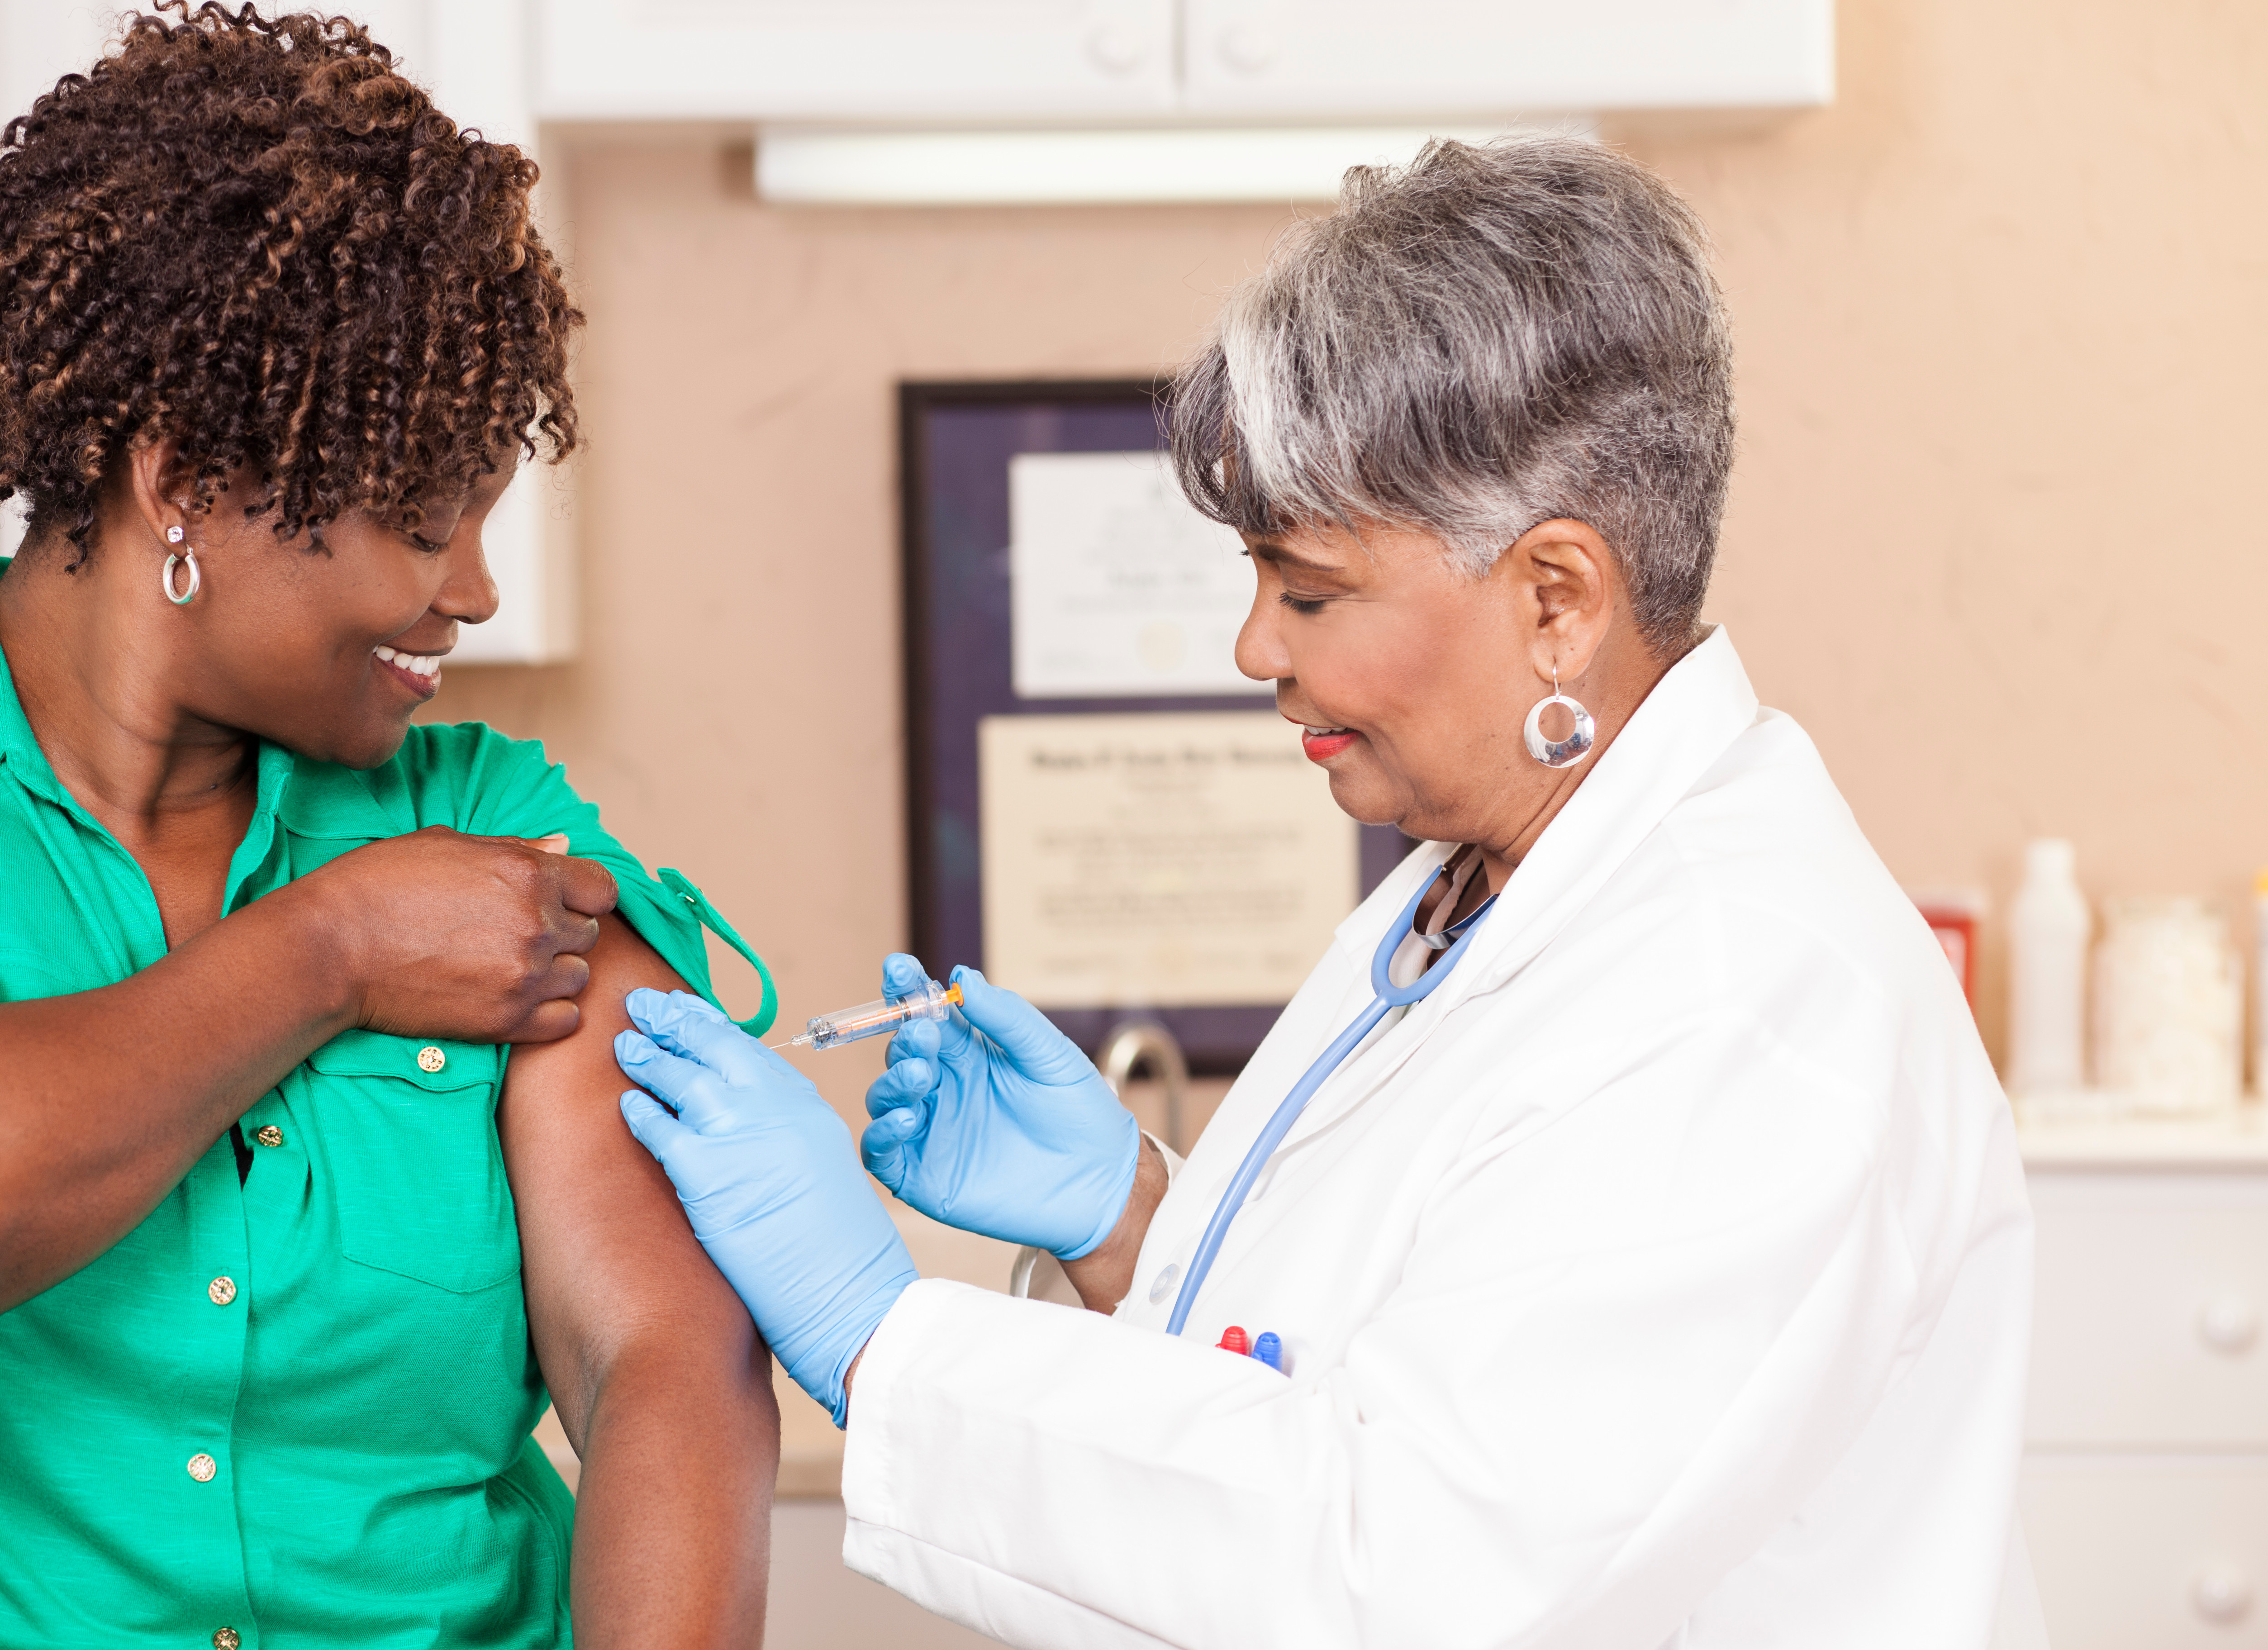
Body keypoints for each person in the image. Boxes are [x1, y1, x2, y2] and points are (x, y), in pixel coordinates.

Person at [614, 138, 2042, 1649]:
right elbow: (1364, 1377)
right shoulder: (1487, 883)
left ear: (1555, 600)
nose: (1253, 650)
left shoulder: (1742, 998)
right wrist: (1133, 1229)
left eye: (1307, 590)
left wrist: (876, 1338)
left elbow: (1409, 1577)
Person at [0, 3, 775, 1649]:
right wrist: (331, 950)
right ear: (181, 487)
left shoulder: (489, 819)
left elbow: (663, 1352)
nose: (471, 592)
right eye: (419, 522)